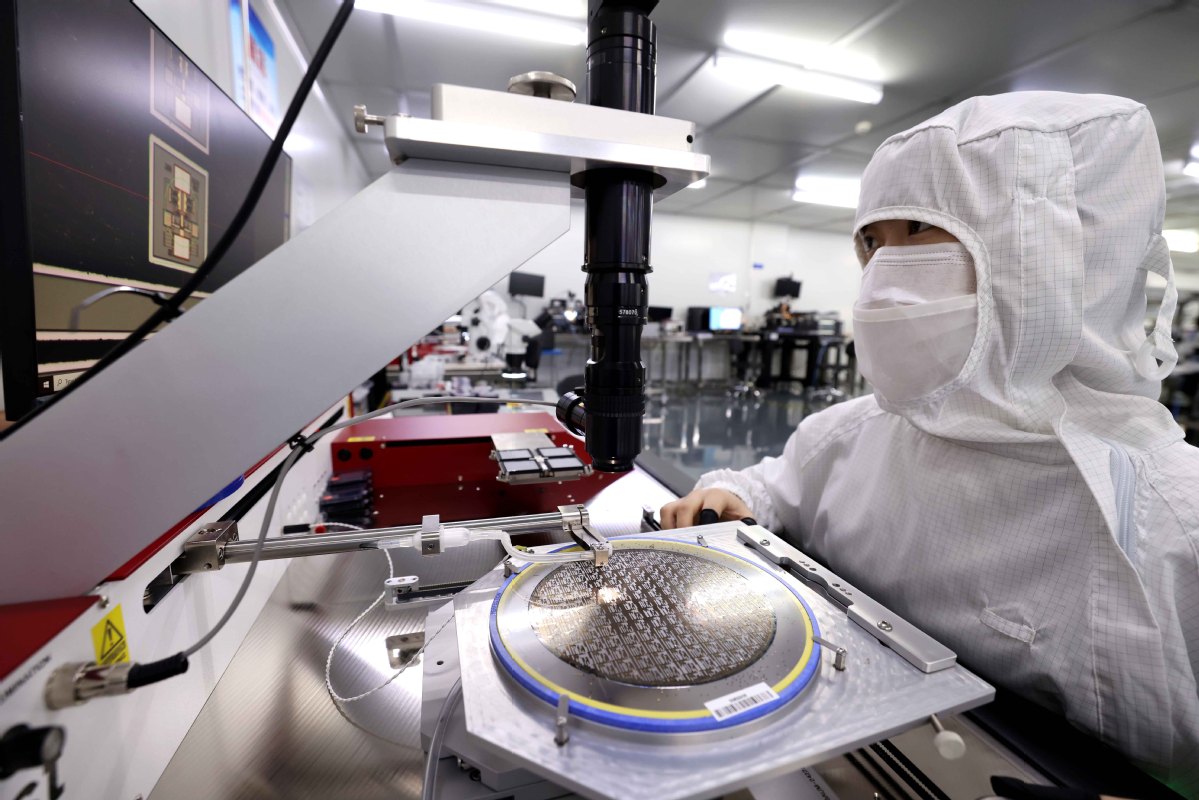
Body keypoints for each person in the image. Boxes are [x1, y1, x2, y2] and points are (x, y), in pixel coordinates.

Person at [661, 92, 1198, 795]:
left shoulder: (1172, 516)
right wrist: (727, 495)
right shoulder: (851, 432)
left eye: (919, 230)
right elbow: (767, 487)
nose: (884, 275)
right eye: (872, 242)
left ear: (1050, 259)